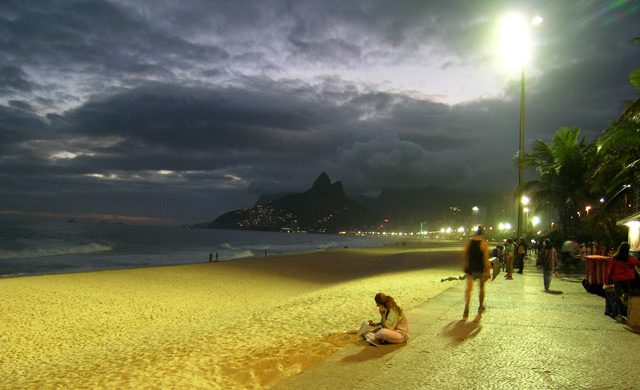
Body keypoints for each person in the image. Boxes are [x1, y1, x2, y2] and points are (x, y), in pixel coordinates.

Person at [604, 242, 640, 322]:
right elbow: (638, 263)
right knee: (627, 292)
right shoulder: (629, 259)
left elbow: (610, 270)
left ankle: (619, 315)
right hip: (627, 279)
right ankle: (624, 298)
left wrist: (607, 280)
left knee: (617, 296)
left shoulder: (615, 258)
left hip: (617, 280)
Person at [461, 226, 491, 319]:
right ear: (482, 234)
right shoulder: (484, 244)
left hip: (471, 268)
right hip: (480, 269)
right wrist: (488, 271)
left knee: (469, 289)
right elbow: (486, 259)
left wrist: (465, 266)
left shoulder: (469, 242)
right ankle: (480, 307)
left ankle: (466, 308)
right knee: (481, 289)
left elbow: (464, 256)